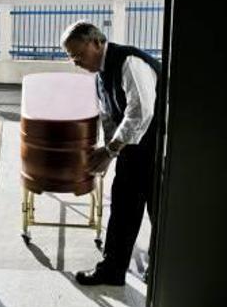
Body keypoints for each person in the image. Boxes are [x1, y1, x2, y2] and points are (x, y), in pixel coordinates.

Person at [60, 21, 161, 286]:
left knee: (160, 210)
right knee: (123, 207)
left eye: (78, 54)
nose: (75, 61)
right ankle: (112, 270)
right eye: (71, 57)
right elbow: (109, 119)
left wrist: (111, 149)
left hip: (160, 146)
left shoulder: (128, 61)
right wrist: (108, 154)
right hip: (132, 147)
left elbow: (141, 111)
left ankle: (162, 270)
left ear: (96, 42)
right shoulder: (100, 77)